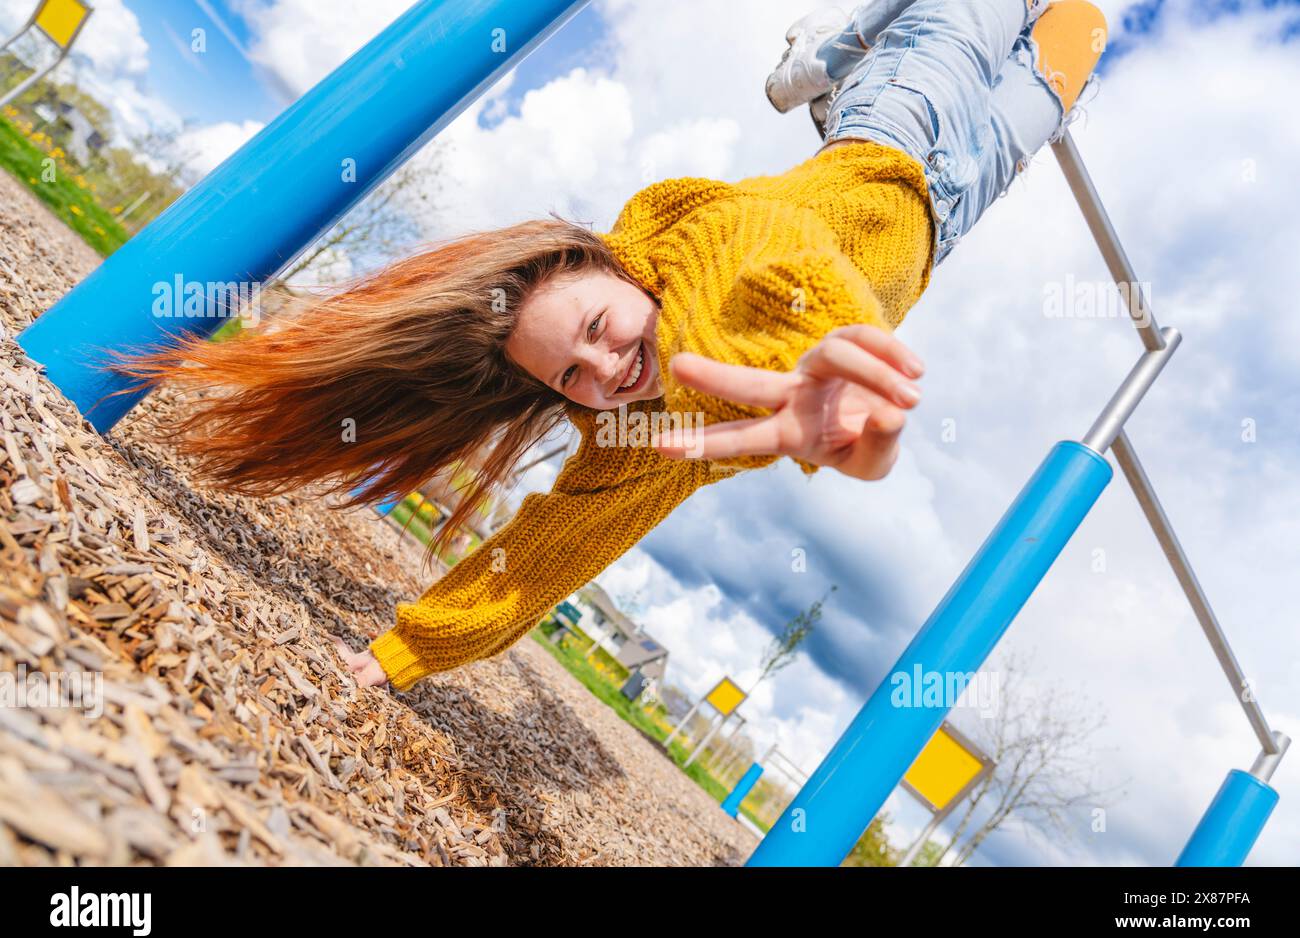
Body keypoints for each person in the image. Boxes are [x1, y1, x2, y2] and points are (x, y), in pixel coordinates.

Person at [108, 1, 1107, 691]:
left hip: (899, 124)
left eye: (594, 329)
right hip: (949, 204)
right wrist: (400, 653)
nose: (606, 371)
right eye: (570, 378)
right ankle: (834, 60)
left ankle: (837, 48)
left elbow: (801, 262)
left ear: (614, 268)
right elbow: (541, 555)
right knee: (1081, 32)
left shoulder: (712, 241)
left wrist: (834, 348)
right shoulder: (639, 445)